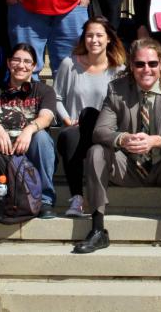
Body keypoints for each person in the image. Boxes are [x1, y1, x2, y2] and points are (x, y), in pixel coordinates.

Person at [75, 38, 161, 255]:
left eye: (152, 64)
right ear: (131, 66)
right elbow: (100, 131)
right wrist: (123, 138)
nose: (147, 69)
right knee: (96, 151)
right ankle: (97, 230)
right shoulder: (117, 89)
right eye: (140, 64)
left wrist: (156, 140)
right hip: (129, 167)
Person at [0, 43, 59, 218]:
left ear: (34, 66)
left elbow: (47, 117)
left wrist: (29, 129)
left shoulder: (44, 90)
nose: (21, 65)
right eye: (16, 60)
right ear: (8, 63)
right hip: (0, 154)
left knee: (42, 137)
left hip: (30, 152)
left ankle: (45, 200)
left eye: (27, 61)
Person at [54, 17, 126, 218]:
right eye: (89, 35)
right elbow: (57, 97)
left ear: (109, 39)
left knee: (89, 115)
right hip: (74, 131)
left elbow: (122, 106)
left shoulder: (118, 70)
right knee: (71, 134)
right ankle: (77, 198)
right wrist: (67, 119)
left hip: (104, 132)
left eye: (99, 35)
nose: (94, 40)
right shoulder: (69, 64)